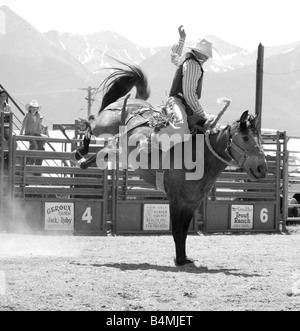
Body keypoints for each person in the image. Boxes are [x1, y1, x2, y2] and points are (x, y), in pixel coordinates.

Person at [20, 100, 42, 164]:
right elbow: (23, 124)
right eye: (33, 107)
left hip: (34, 133)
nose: (35, 109)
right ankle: (26, 160)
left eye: (36, 107)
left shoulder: (38, 115)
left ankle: (31, 161)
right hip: (28, 133)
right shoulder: (27, 115)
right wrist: (21, 133)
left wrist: (40, 133)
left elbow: (38, 125)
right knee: (35, 146)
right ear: (30, 108)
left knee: (39, 144)